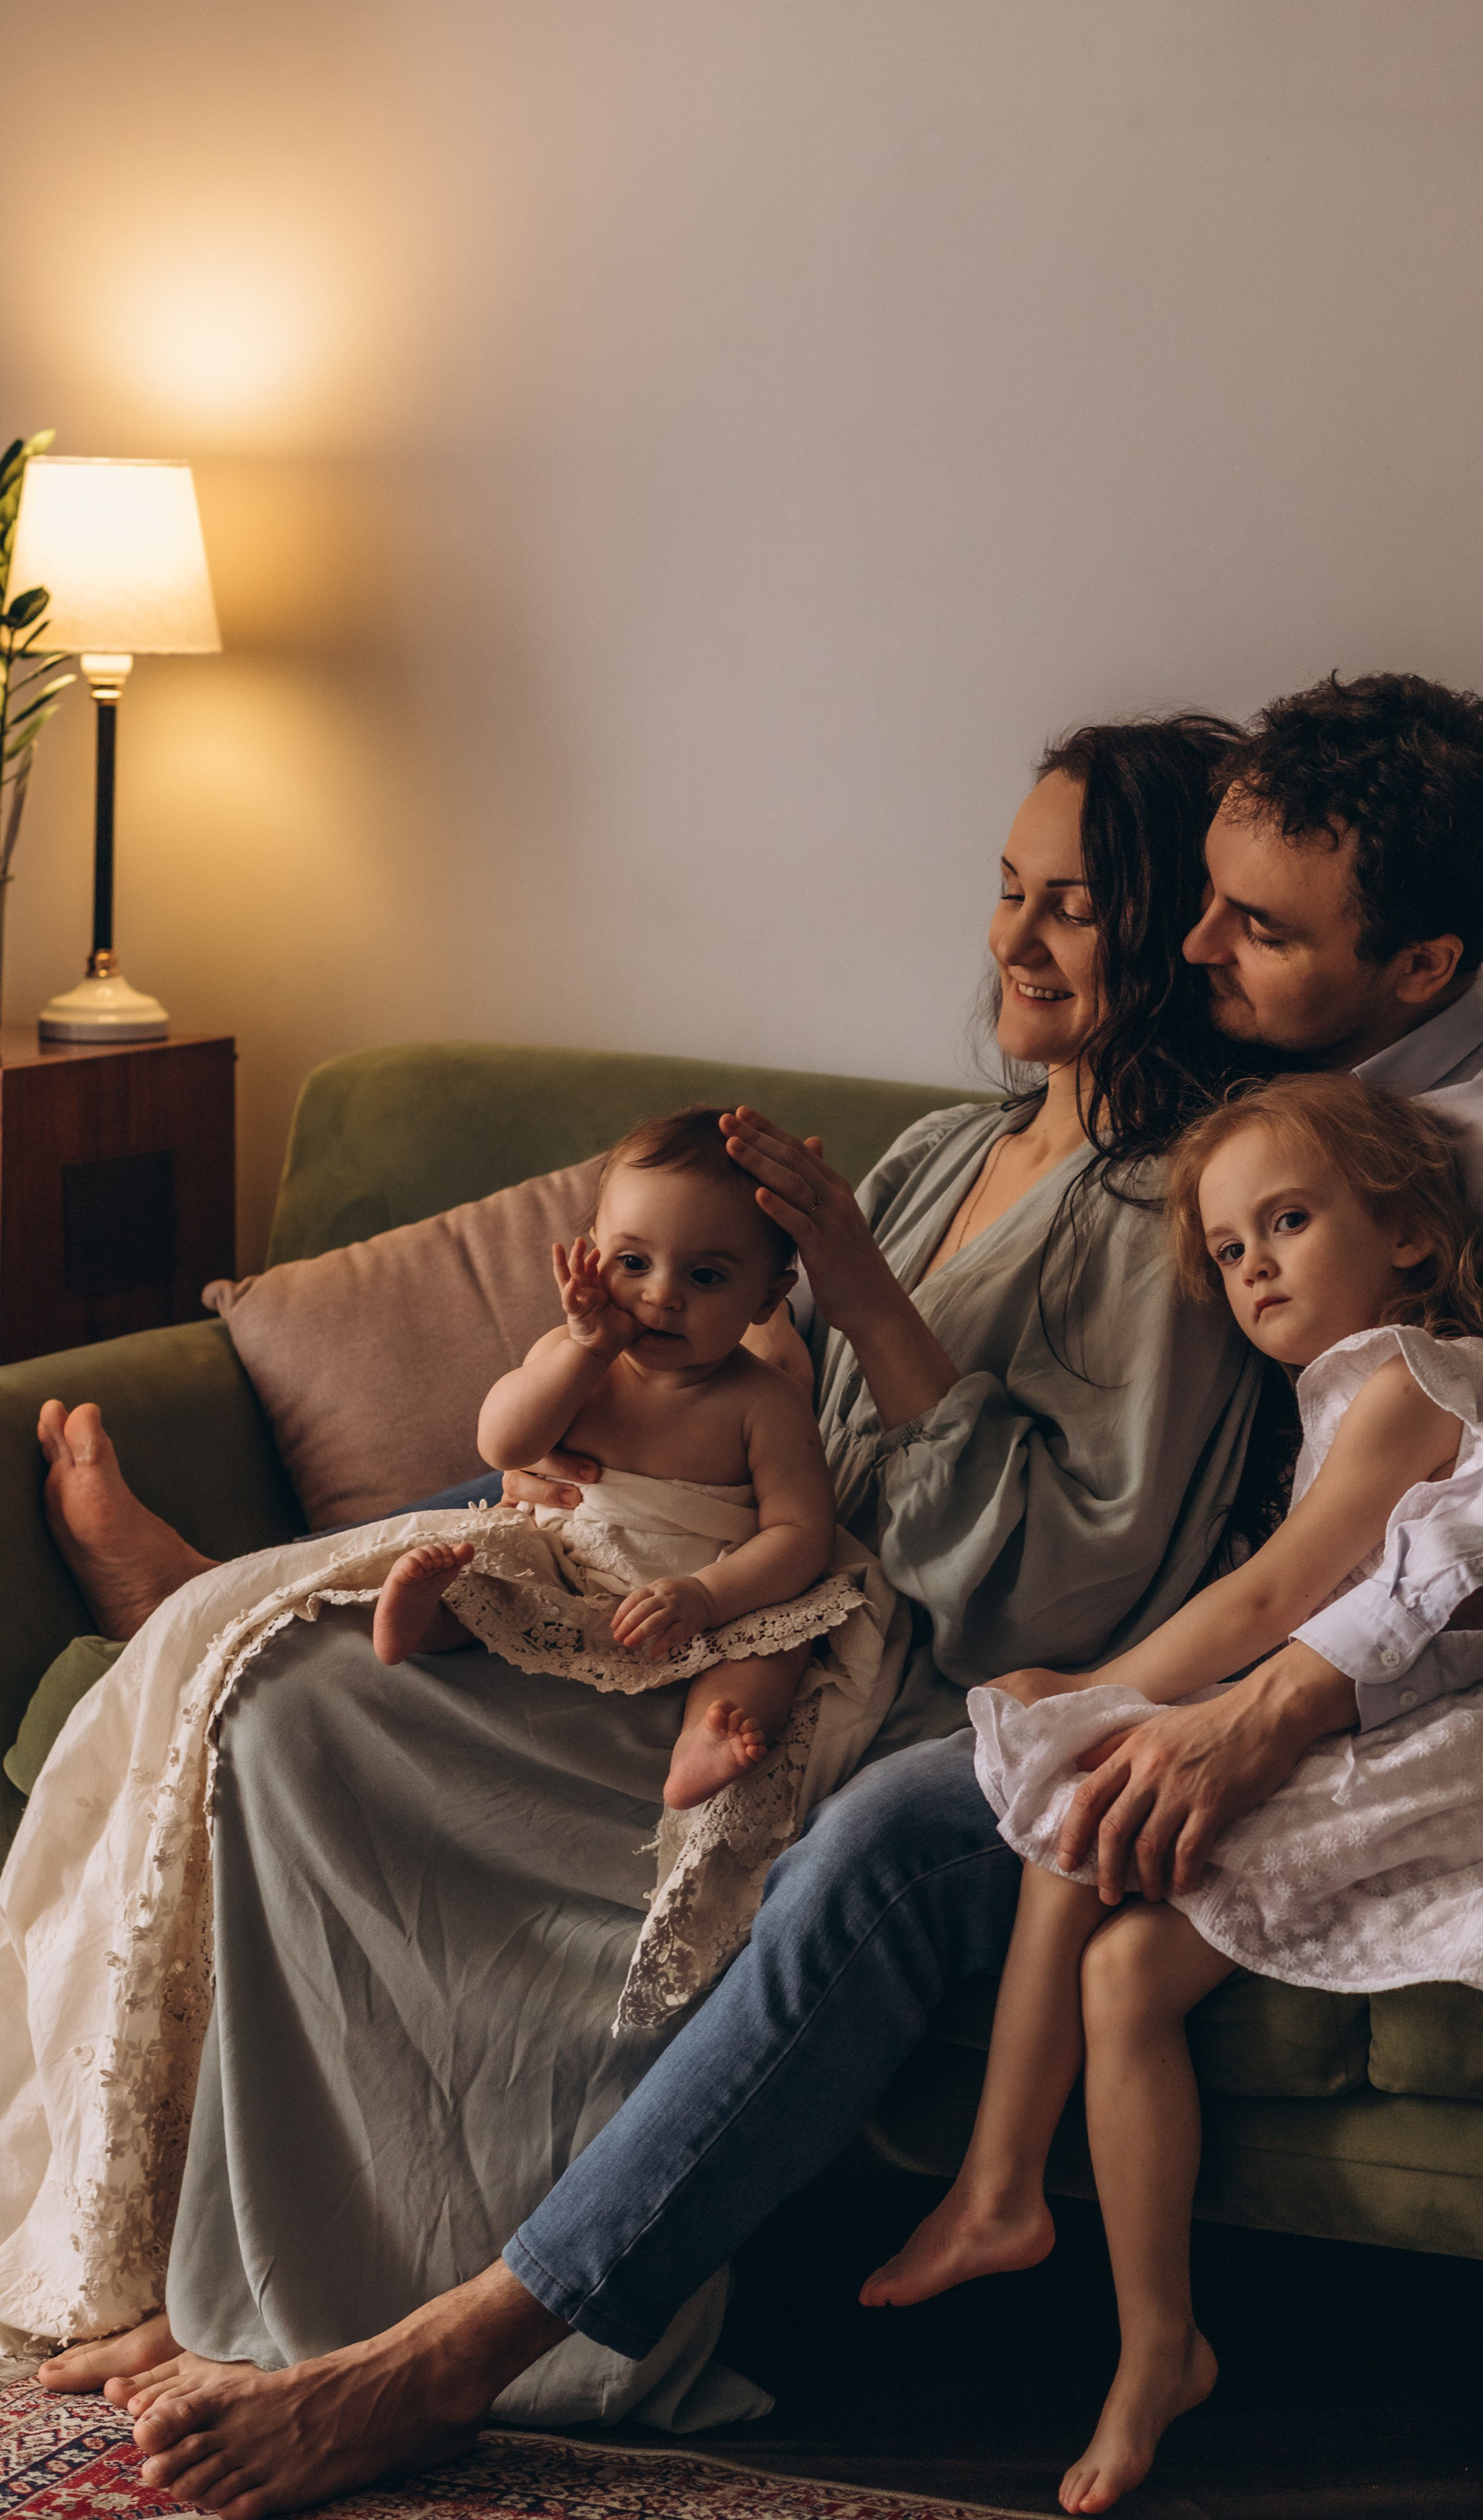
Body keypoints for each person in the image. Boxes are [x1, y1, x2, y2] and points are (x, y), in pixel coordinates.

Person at [32, 676, 1483, 2520]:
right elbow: (775, 1430)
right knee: (303, 1700)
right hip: (857, 1604)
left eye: (1249, 925)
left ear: (1423, 963)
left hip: (1317, 1685)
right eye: (1196, 903)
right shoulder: (1159, 1128)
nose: (1206, 946)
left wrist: (1265, 1698)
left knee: (891, 1826)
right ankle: (235, 2250)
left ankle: (464, 2347)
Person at [20, 716, 1257, 2418]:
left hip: (863, 1654)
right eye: (1003, 889)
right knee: (293, 1708)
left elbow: (1051, 1590)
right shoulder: (941, 1157)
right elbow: (751, 1404)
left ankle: (386, 2323)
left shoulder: (1179, 1215)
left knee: (328, 1707)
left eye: (1072, 903)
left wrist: (855, 1296)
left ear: (1176, 934)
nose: (1014, 940)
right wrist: (599, 1423)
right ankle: (250, 2278)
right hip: (715, 1578)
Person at [862, 1073, 1483, 2514]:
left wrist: (1099, 1689)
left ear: (1405, 1231)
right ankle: (1084, 2273)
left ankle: (1050, 2242)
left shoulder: (1409, 1374)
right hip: (1390, 1703)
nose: (1254, 1263)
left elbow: (1282, 1591)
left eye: (1286, 1220)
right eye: (1227, 1248)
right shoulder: (1332, 1394)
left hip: (1480, 1728)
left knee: (1105, 1862)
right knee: (1099, 1890)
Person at [374, 1107, 845, 1810]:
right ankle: (425, 1619)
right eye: (633, 1263)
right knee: (492, 1565)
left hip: (702, 1595)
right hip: (566, 1561)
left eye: (707, 1276)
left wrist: (709, 1596)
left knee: (781, 1638)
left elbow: (802, 1534)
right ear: (590, 1254)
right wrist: (586, 1350)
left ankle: (705, 1737)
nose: (661, 1294)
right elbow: (502, 1446)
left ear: (767, 1297)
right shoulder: (575, 1361)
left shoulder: (765, 1402)